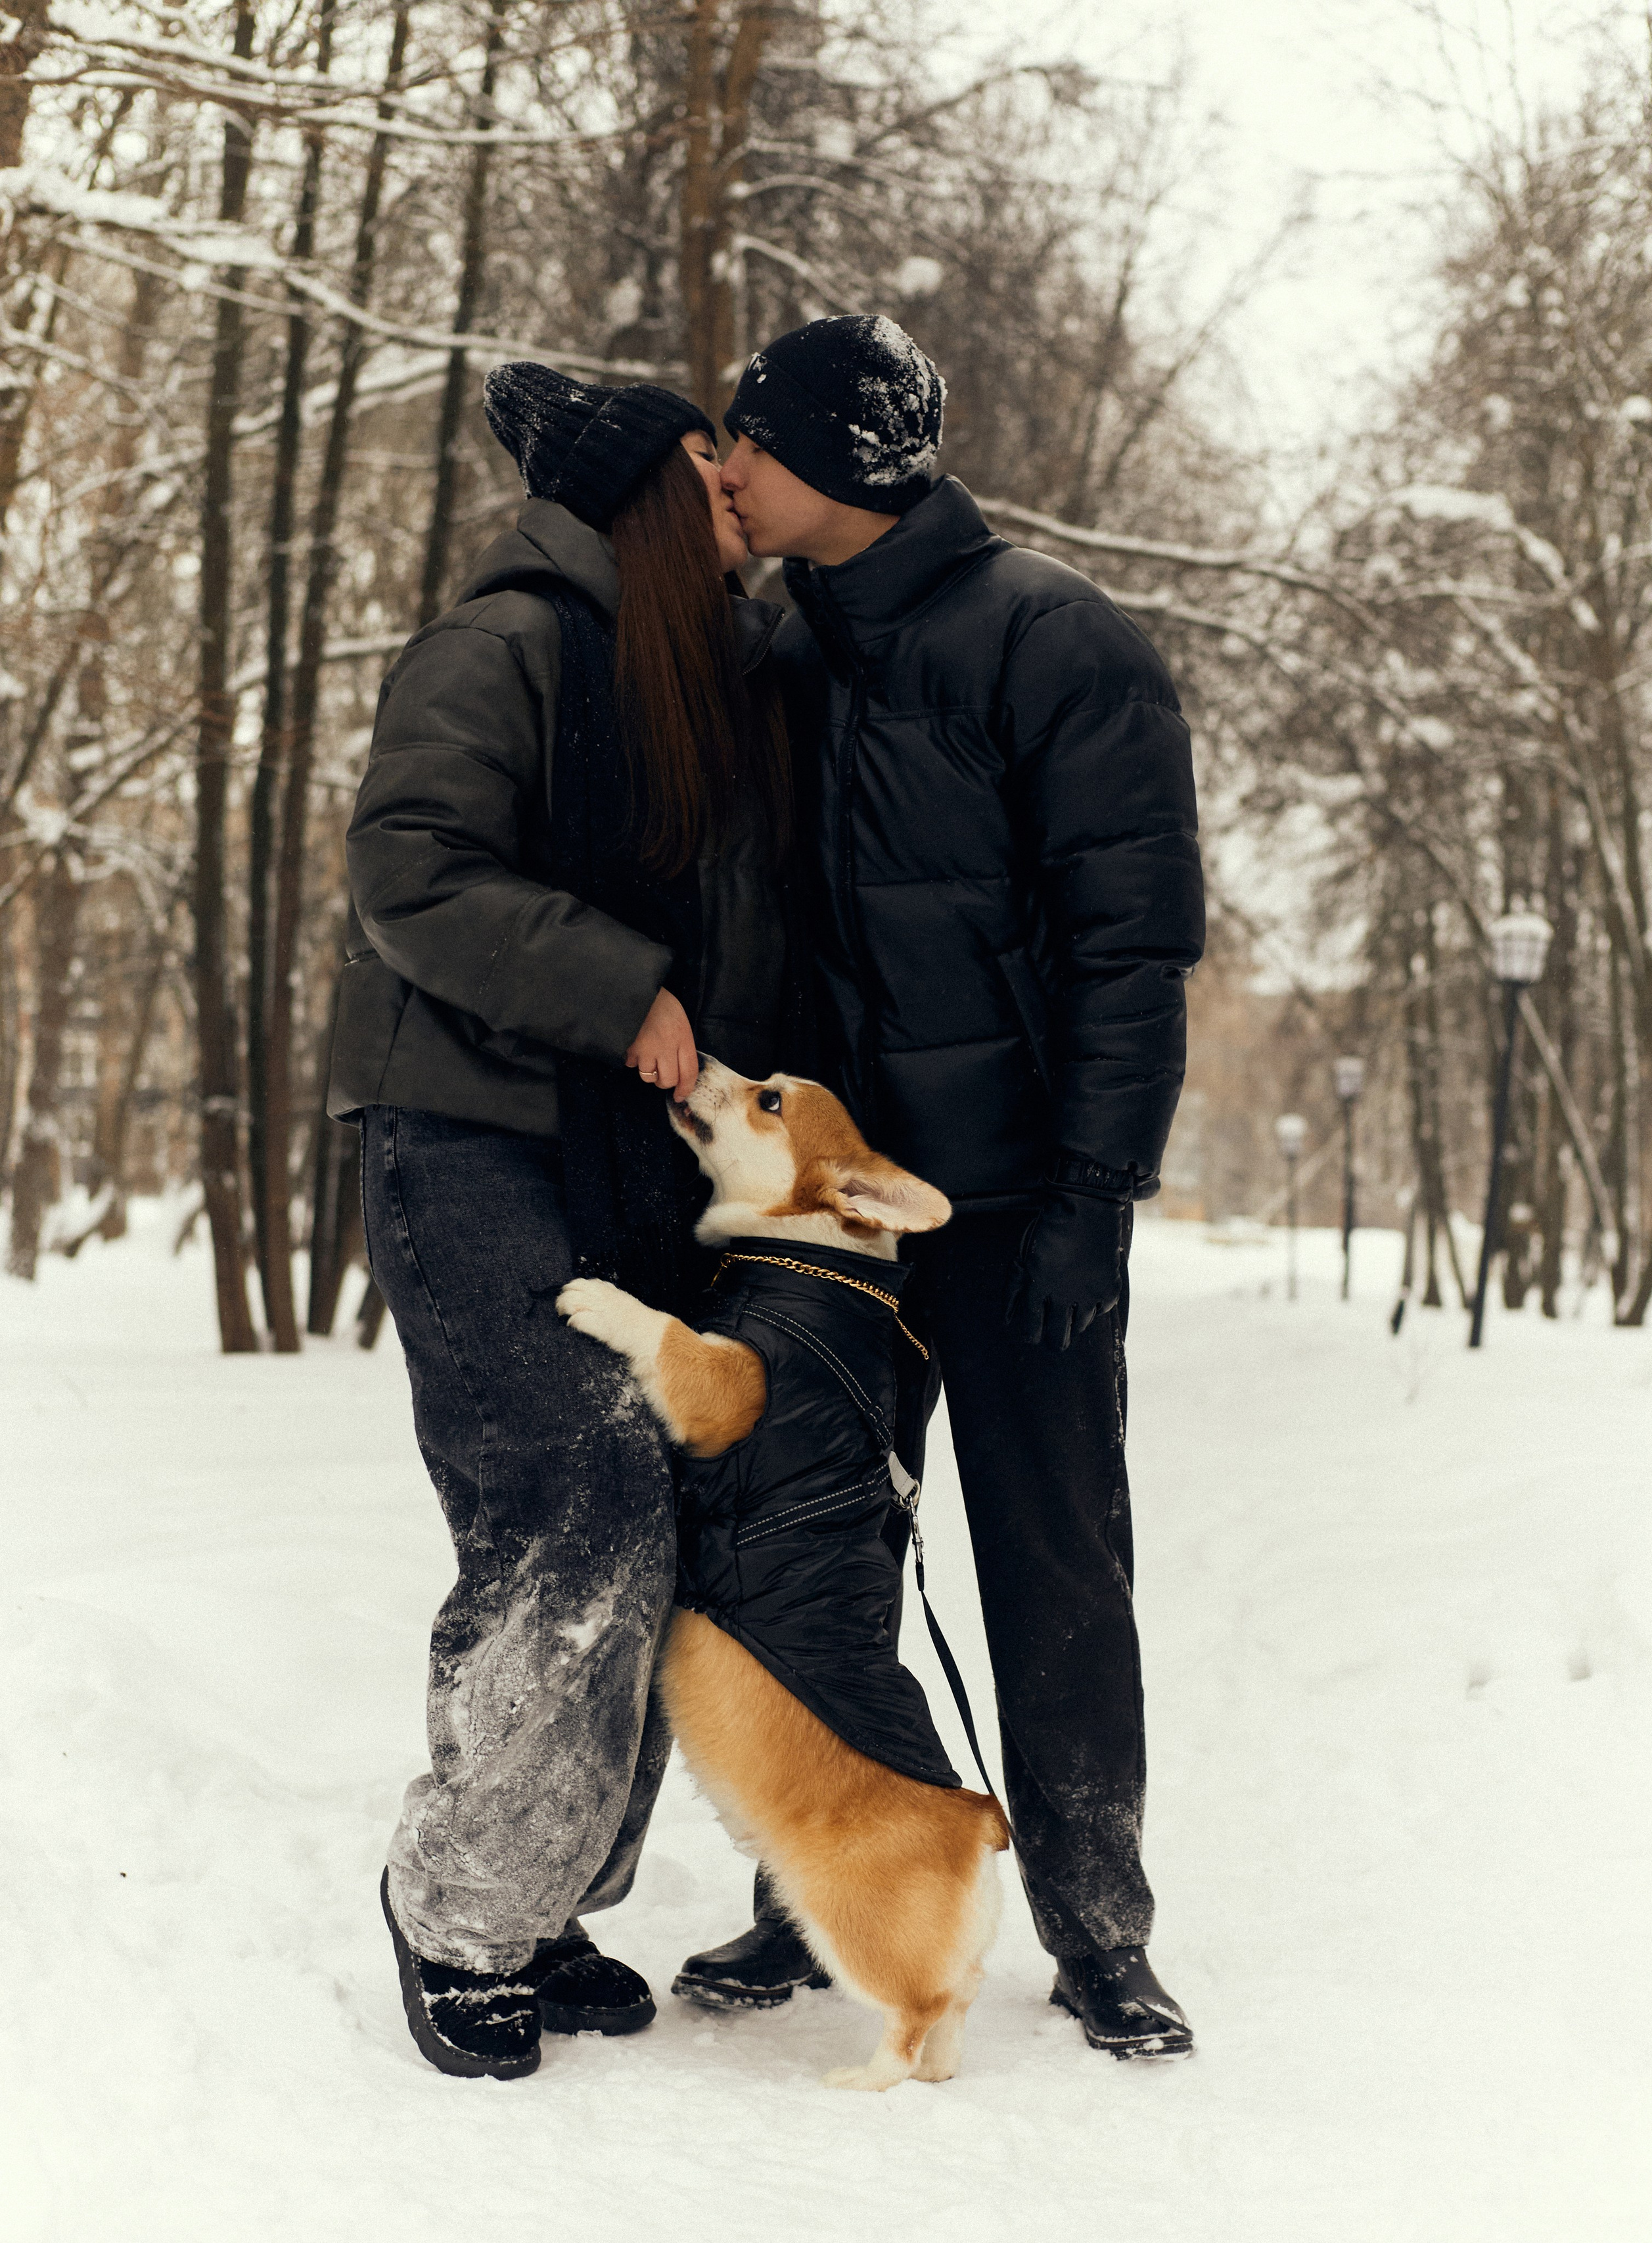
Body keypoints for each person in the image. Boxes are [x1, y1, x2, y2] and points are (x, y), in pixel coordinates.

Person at [672, 315, 1206, 2060]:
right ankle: (803, 1892)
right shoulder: (785, 654)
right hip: (835, 1233)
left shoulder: (1058, 645)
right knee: (811, 1563)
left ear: (830, 459)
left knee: (1056, 1562)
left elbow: (1132, 952)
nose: (725, 467)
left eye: (746, 438)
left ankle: (1100, 1926)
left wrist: (1087, 1197)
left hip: (1019, 1213)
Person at [327, 362, 794, 2079]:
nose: (741, 492)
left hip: (617, 1151)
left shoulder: (681, 671)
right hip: (466, 1135)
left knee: (645, 1523)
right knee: (566, 1514)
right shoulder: (503, 643)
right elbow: (412, 874)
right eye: (713, 468)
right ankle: (456, 1910)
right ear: (649, 489)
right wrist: (626, 994)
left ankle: (542, 1902)